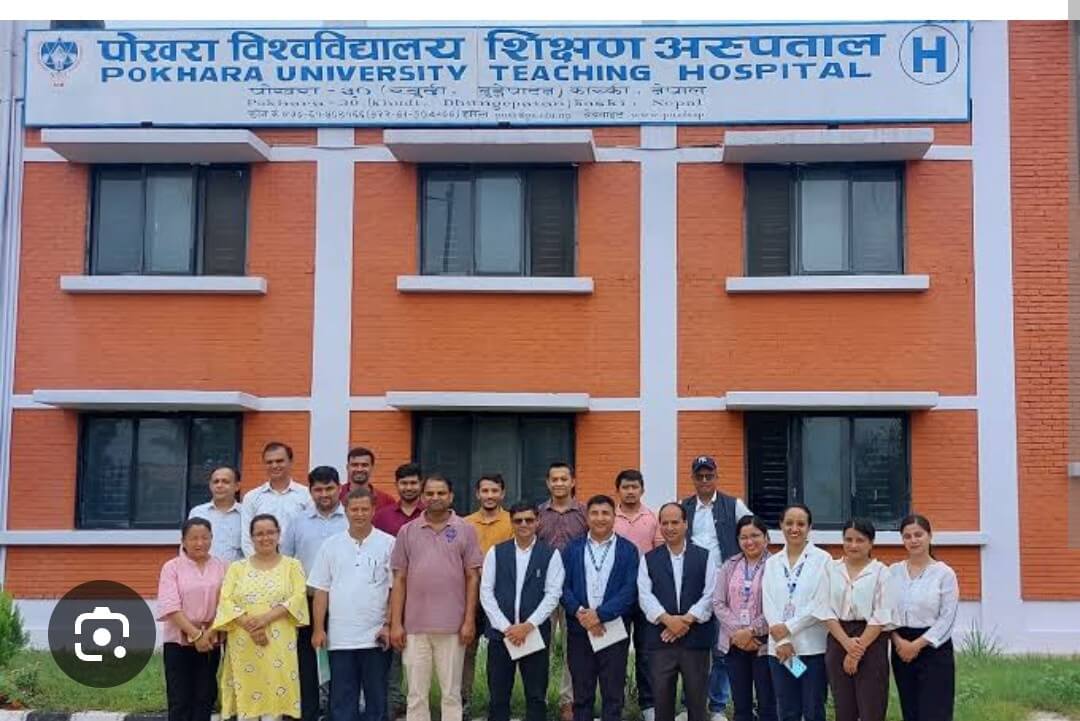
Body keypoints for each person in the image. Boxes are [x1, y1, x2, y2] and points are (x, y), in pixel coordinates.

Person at [389, 474, 483, 721]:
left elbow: (472, 577)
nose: (435, 498)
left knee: (451, 694)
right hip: (415, 627)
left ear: (451, 496)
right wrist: (396, 623)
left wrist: (469, 621)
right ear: (422, 497)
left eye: (441, 493)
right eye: (430, 493)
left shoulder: (465, 530)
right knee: (416, 695)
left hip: (453, 626)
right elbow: (399, 579)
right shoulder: (407, 531)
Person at [309, 487, 396, 721]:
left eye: (364, 509)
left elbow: (394, 589)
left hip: (376, 636)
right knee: (342, 702)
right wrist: (318, 629)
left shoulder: (389, 544)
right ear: (345, 511)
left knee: (376, 701)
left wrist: (388, 625)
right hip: (340, 638)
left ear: (374, 510)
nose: (359, 514)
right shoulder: (330, 545)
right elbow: (321, 590)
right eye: (354, 509)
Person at [212, 513, 309, 721]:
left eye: (270, 532)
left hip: (278, 642)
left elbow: (298, 597)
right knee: (247, 701)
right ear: (251, 537)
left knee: (274, 703)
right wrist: (251, 626)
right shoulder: (237, 568)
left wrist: (264, 620)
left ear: (279, 534)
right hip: (243, 641)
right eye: (259, 534)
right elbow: (226, 600)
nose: (265, 538)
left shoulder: (292, 566)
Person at [680, 455, 752, 721]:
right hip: (693, 585)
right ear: (693, 478)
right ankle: (689, 706)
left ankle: (718, 707)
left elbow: (752, 532)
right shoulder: (684, 507)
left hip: (726, 586)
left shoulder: (734, 505)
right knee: (691, 650)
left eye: (709, 475)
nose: (704, 480)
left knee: (722, 649)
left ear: (716, 476)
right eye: (699, 476)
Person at [480, 501, 565, 721]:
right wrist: (506, 628)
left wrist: (528, 626)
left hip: (534, 634)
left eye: (529, 519)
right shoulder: (496, 552)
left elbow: (553, 595)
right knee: (498, 696)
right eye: (518, 520)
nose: (524, 524)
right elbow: (486, 592)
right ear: (511, 522)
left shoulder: (550, 555)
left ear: (538, 521)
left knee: (536, 696)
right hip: (501, 635)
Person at [561, 494, 640, 721]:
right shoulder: (572, 549)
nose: (600, 518)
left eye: (605, 513)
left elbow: (630, 589)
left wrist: (600, 615)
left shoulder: (628, 550)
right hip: (580, 628)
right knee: (582, 694)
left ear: (615, 517)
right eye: (594, 513)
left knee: (613, 694)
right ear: (587, 517)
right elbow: (562, 586)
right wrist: (581, 614)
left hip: (613, 628)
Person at [637, 503, 718, 721]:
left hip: (696, 640)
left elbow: (710, 593)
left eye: (675, 522)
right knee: (662, 702)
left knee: (697, 703)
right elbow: (645, 596)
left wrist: (686, 620)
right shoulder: (649, 559)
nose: (670, 527)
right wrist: (667, 620)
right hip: (660, 641)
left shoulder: (704, 556)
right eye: (665, 523)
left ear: (685, 524)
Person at [281, 466, 348, 721]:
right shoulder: (298, 522)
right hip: (305, 601)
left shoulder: (350, 518)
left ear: (339, 488)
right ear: (310, 491)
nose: (324, 494)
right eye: (318, 489)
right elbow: (285, 561)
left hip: (342, 601)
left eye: (329, 488)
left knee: (340, 659)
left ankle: (337, 713)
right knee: (305, 659)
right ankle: (307, 712)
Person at [817, 519, 892, 721]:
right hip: (838, 636)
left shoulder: (882, 572)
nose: (853, 545)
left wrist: (856, 651)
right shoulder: (830, 569)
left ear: (871, 542)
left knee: (872, 706)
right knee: (843, 706)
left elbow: (881, 614)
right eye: (848, 539)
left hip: (871, 639)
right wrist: (847, 644)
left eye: (860, 540)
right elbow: (824, 609)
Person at [762, 504, 831, 721]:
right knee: (788, 709)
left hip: (812, 649)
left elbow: (821, 602)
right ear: (781, 525)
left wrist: (788, 628)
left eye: (801, 524)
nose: (794, 529)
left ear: (809, 527)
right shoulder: (772, 562)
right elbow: (768, 601)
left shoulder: (823, 560)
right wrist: (782, 640)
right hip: (782, 650)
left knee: (813, 708)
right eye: (789, 523)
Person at [887, 515, 958, 721]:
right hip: (901, 647)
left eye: (918, 535)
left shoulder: (944, 574)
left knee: (935, 711)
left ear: (929, 536)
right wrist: (897, 641)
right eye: (907, 536)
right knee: (910, 710)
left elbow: (947, 618)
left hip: (934, 648)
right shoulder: (893, 572)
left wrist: (917, 645)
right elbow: (884, 611)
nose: (913, 540)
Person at [157, 518, 228, 721]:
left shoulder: (222, 566)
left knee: (205, 696)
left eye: (205, 538)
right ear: (183, 541)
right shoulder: (172, 567)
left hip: (211, 640)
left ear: (212, 538)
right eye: (193, 538)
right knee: (180, 698)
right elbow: (170, 606)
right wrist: (196, 635)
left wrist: (210, 632)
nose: (199, 543)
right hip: (178, 641)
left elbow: (227, 604)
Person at [373, 462, 425, 721]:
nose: (409, 487)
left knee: (418, 654)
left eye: (413, 482)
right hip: (388, 591)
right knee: (391, 651)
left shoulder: (430, 514)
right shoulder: (382, 517)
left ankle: (417, 704)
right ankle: (393, 703)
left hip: (423, 594)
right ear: (397, 485)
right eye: (404, 483)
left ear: (421, 484)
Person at [537, 461, 588, 721]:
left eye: (563, 479)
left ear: (572, 482)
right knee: (540, 647)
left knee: (573, 649)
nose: (559, 483)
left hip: (574, 590)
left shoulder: (585, 513)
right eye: (554, 479)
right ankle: (539, 698)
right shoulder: (538, 513)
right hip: (542, 591)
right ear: (548, 483)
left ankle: (568, 701)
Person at [714, 515, 777, 721]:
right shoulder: (729, 565)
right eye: (744, 537)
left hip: (765, 644)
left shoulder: (776, 565)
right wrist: (739, 633)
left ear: (766, 537)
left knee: (769, 704)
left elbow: (778, 606)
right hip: (734, 643)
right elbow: (718, 603)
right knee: (741, 706)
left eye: (755, 535)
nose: (749, 541)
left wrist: (751, 631)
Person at [461, 473, 513, 718]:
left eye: (494, 491)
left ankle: (499, 702)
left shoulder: (513, 522)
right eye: (485, 491)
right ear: (477, 494)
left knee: (500, 651)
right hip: (469, 594)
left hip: (500, 596)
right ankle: (464, 700)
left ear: (503, 493)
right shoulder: (465, 523)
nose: (490, 496)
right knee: (466, 649)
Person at [613, 469, 662, 721]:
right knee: (615, 652)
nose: (630, 491)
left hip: (646, 596)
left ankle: (649, 705)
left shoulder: (653, 518)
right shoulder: (609, 517)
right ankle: (615, 703)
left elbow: (660, 555)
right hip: (616, 596)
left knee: (646, 652)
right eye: (625, 487)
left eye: (635, 487)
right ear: (618, 491)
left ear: (642, 490)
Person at [240, 442, 311, 557]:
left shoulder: (306, 496)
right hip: (261, 564)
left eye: (279, 461)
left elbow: (309, 535)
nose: (274, 465)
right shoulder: (251, 497)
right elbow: (247, 539)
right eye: (269, 462)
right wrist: (261, 564)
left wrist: (293, 564)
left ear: (290, 461)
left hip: (298, 563)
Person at [188, 466, 243, 563]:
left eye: (225, 482)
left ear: (237, 486)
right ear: (210, 486)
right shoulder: (198, 513)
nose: (219, 485)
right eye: (216, 482)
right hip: (203, 571)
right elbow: (186, 547)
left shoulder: (246, 514)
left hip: (237, 572)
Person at [341, 446, 396, 510]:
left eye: (364, 465)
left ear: (372, 468)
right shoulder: (337, 496)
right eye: (355, 465)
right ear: (347, 467)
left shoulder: (387, 501)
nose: (359, 469)